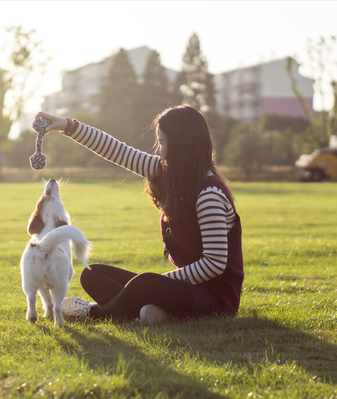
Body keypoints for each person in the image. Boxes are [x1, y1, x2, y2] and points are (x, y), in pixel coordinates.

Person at [32, 105, 243, 324]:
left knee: (145, 284)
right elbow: (118, 151)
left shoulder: (209, 194)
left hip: (215, 300)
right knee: (92, 273)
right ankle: (155, 313)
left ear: (182, 145)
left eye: (161, 142)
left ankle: (94, 313)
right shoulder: (166, 172)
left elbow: (214, 263)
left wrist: (160, 283)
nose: (157, 150)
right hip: (184, 290)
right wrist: (67, 126)